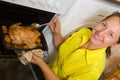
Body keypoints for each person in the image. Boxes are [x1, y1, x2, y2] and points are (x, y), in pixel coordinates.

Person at [30, 12, 120, 80]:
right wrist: (57, 33)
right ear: (101, 21)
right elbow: (62, 48)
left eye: (110, 34)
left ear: (114, 44)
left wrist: (41, 64)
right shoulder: (85, 32)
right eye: (104, 25)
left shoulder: (93, 69)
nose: (101, 33)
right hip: (42, 71)